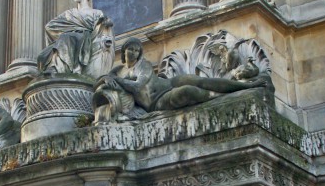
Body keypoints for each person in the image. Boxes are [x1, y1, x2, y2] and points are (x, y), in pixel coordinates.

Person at [93, 37, 271, 123]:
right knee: (188, 92)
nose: (132, 52)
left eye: (136, 50)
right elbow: (101, 85)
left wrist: (118, 82)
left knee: (201, 81)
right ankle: (219, 97)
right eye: (129, 49)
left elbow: (139, 85)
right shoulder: (118, 70)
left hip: (168, 84)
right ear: (123, 52)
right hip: (157, 102)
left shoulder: (143, 65)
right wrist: (106, 82)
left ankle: (245, 85)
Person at [37, 0, 114, 77]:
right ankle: (54, 67)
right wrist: (69, 29)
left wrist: (104, 22)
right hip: (71, 38)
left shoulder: (96, 13)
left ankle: (56, 68)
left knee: (67, 38)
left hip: (86, 37)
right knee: (45, 53)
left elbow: (104, 25)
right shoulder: (69, 13)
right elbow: (49, 26)